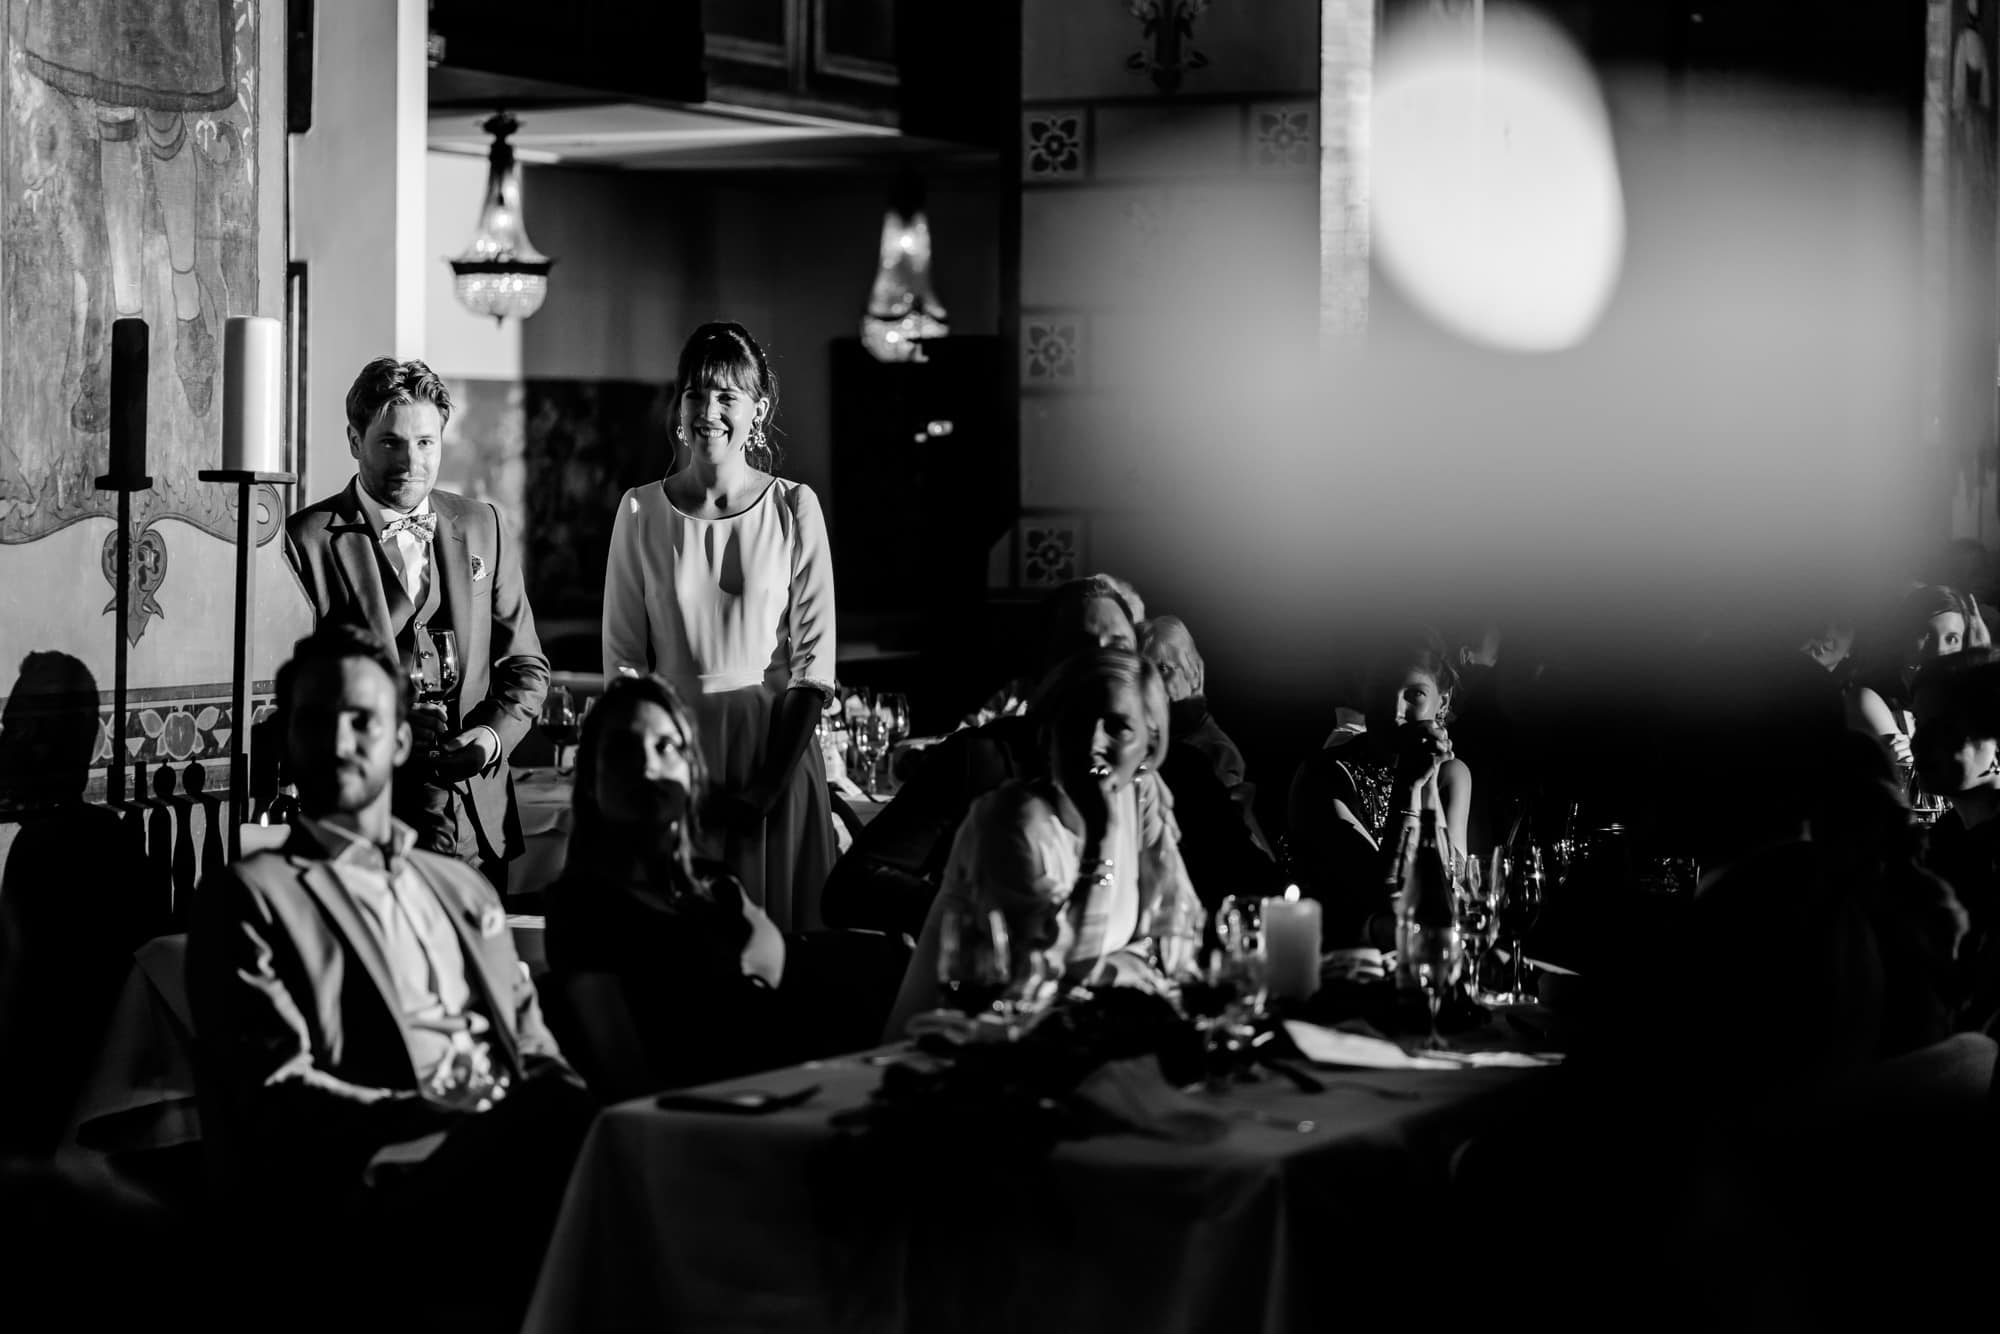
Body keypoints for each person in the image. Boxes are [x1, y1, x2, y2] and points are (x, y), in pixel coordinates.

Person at [186, 620, 590, 1329]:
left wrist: (559, 1113)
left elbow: (534, 1050)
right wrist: (450, 1116)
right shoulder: (250, 894)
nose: (341, 742)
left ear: (401, 741)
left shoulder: (464, 891)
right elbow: (278, 1091)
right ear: (287, 739)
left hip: (508, 1158)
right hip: (374, 1184)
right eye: (317, 721)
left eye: (363, 721)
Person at [822, 577, 1277, 939]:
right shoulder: (982, 761)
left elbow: (1252, 887)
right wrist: (982, 918)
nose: (1099, 666)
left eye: (1117, 649)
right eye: (1079, 649)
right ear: (1043, 670)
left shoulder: (1176, 773)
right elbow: (850, 889)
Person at [602, 322, 836, 933]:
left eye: (728, 396)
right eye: (696, 394)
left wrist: (765, 790)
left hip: (774, 758)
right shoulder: (638, 511)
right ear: (678, 407)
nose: (710, 411)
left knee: (781, 966)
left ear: (757, 410)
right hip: (675, 761)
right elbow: (624, 666)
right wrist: (656, 775)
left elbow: (813, 667)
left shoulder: (795, 507)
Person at [285, 358, 550, 888]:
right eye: (391, 442)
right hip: (367, 828)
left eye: (426, 443)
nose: (411, 461)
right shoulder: (305, 541)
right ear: (354, 440)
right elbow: (293, 697)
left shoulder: (483, 525)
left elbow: (526, 667)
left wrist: (489, 740)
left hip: (477, 827)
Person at [884, 649, 1199, 1036]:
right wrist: (1101, 841)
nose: (1093, 743)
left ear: (1149, 747)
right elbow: (1043, 977)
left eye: (1118, 727)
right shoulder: (1009, 820)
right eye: (1077, 723)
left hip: (1078, 1037)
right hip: (962, 1047)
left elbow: (1175, 927)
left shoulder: (1141, 794)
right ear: (1048, 734)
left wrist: (1118, 968)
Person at [543, 674, 790, 1093]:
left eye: (665, 747)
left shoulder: (719, 885)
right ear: (590, 780)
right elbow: (622, 1073)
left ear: (692, 771)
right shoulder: (582, 907)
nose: (647, 767)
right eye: (623, 750)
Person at [1287, 631, 1472, 942]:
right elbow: (1384, 898)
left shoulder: (1451, 775)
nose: (1394, 711)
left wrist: (1427, 780)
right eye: (1382, 689)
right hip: (1344, 953)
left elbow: (1454, 889)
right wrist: (1409, 785)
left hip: (1425, 949)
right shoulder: (1323, 776)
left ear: (1444, 701)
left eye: (1414, 695)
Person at [1850, 583, 1988, 771]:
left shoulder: (1961, 702)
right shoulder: (1869, 699)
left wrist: (1980, 662)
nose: (1939, 650)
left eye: (1952, 638)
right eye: (1926, 635)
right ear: (1903, 637)